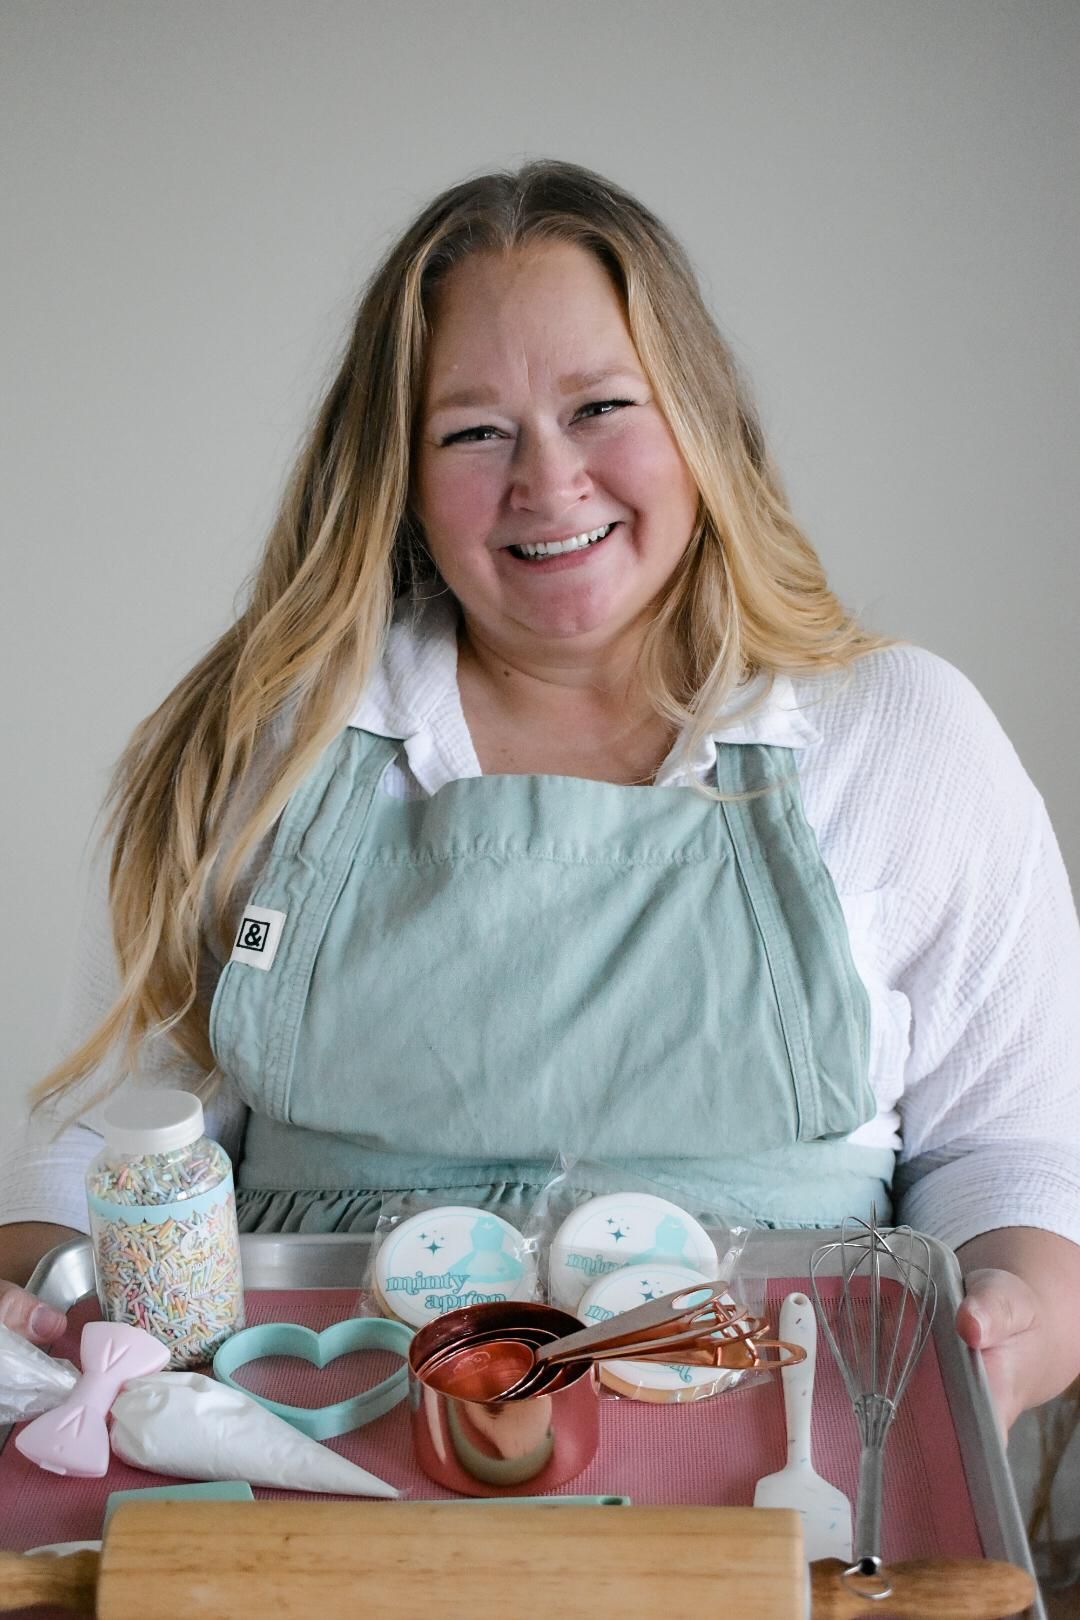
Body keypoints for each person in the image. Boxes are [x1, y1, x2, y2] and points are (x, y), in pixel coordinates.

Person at [2, 160, 1078, 1435]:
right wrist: (43, 1297)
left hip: (791, 1456)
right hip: (328, 1455)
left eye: (601, 407)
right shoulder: (258, 749)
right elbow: (99, 1142)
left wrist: (1019, 1324)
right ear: (398, 473)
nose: (548, 480)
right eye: (474, 430)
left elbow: (1008, 1155)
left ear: (700, 421)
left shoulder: (901, 739)